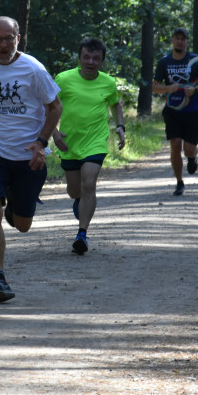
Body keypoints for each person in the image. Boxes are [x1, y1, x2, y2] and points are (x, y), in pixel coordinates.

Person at [0, 17, 61, 303]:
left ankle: (14, 199)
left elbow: (55, 107)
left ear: (19, 38)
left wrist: (42, 142)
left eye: (9, 38)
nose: (4, 44)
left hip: (29, 155)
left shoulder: (34, 69)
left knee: (23, 224)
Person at [52, 37, 125, 256]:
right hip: (69, 143)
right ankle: (78, 200)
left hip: (96, 142)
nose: (90, 62)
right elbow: (49, 106)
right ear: (79, 58)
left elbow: (115, 104)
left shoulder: (108, 83)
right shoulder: (63, 79)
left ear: (102, 61)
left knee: (89, 182)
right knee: (74, 190)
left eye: (96, 58)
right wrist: (54, 132)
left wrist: (120, 126)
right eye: (86, 57)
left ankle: (82, 234)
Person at [151, 27, 198, 197]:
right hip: (172, 110)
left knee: (189, 149)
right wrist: (168, 88)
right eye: (176, 38)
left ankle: (192, 158)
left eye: (182, 38)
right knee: (175, 144)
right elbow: (155, 86)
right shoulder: (164, 62)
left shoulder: (196, 60)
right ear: (172, 40)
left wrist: (195, 89)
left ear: (187, 42)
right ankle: (179, 182)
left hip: (192, 110)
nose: (179, 41)